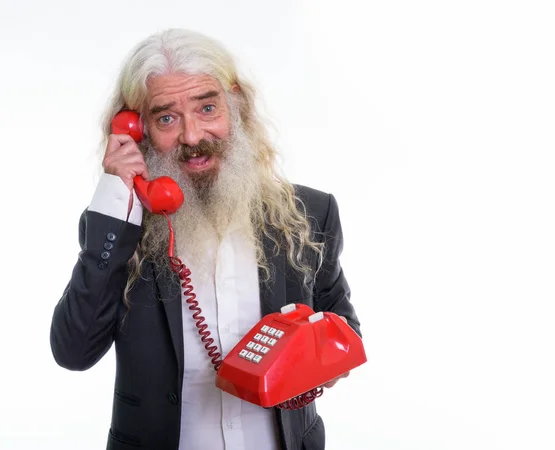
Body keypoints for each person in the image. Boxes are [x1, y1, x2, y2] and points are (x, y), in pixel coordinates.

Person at [49, 28, 362, 450]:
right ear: (135, 131)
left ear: (236, 105)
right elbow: (73, 351)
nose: (192, 136)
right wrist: (117, 198)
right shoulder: (117, 227)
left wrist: (321, 356)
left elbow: (343, 324)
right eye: (166, 118)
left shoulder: (310, 213)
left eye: (208, 108)